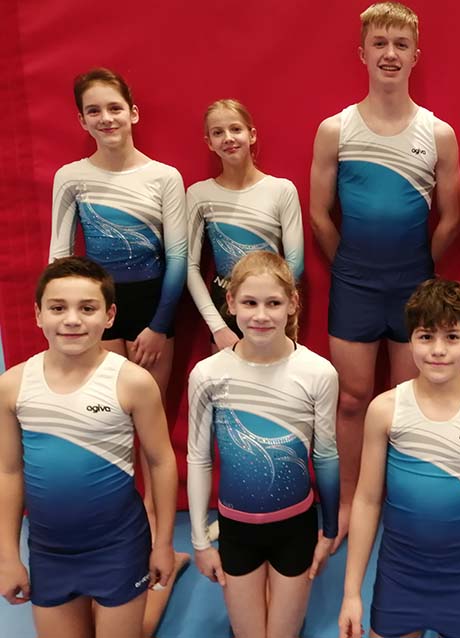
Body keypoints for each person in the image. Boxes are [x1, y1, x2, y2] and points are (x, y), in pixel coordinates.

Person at [310, 1, 460, 546]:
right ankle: (351, 498)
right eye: (380, 43)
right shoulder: (336, 129)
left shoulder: (438, 133)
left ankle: (399, 497)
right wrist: (351, 263)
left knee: (404, 400)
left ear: (416, 55)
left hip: (413, 284)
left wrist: (417, 266)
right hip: (354, 283)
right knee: (352, 399)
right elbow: (319, 215)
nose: (390, 54)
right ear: (363, 53)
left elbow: (451, 219)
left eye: (401, 44)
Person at [48, 67, 189, 633]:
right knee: (106, 429)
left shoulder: (164, 177)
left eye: (114, 107)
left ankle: (158, 544)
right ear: (81, 120)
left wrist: (158, 325)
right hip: (96, 312)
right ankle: (116, 540)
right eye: (93, 111)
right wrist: (74, 319)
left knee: (152, 431)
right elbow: (61, 256)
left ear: (133, 112)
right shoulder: (72, 177)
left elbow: (178, 259)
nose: (106, 118)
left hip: (154, 311)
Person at [0, 256, 178, 638]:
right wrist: (7, 556)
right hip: (50, 551)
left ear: (109, 315)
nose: (72, 320)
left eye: (87, 308)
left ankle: (169, 572)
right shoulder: (13, 386)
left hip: (118, 546)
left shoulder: (132, 382)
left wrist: (162, 543)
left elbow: (161, 460)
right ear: (37, 314)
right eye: (58, 308)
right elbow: (9, 471)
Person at [338, 279, 460, 638]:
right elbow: (367, 500)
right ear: (410, 341)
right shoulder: (385, 410)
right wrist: (351, 593)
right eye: (426, 336)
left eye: (452, 337)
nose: (438, 350)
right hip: (398, 577)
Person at [187, 251, 339, 638]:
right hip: (236, 529)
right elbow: (199, 459)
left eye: (273, 303)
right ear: (231, 303)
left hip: (296, 527)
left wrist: (329, 531)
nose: (261, 315)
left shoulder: (318, 373)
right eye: (250, 303)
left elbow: (325, 456)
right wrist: (200, 542)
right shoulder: (208, 374)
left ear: (293, 304)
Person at [186, 99, 304, 352]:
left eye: (236, 129)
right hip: (226, 309)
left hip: (271, 305)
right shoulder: (199, 194)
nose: (228, 138)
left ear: (251, 135)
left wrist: (276, 305)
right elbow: (191, 267)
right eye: (218, 132)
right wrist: (218, 328)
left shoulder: (281, 190)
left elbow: (295, 262)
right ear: (209, 142)